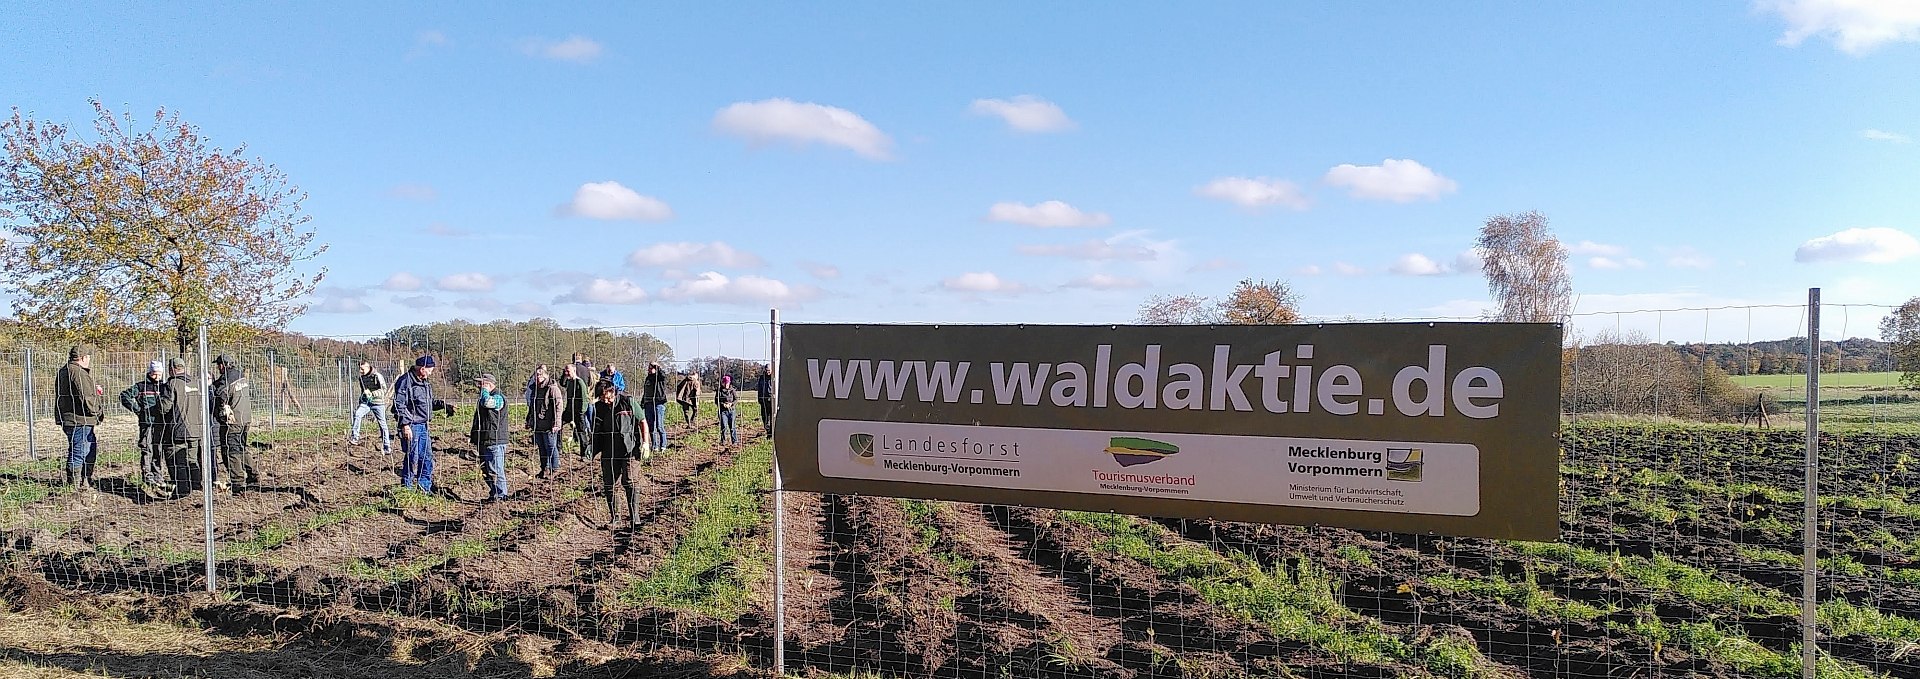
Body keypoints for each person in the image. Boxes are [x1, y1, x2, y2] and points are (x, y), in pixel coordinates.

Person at [589, 381, 649, 530]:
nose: (605, 400)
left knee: (630, 481)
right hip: (609, 450)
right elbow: (595, 430)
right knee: (610, 484)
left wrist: (646, 442)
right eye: (601, 397)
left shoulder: (627, 401)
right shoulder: (599, 407)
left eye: (606, 396)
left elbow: (642, 420)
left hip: (629, 449)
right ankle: (615, 519)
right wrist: (590, 449)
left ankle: (635, 519)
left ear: (612, 391)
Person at [393, 355, 453, 493]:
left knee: (426, 457)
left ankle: (424, 487)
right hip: (411, 425)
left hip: (423, 425)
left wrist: (444, 406)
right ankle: (407, 489)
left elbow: (427, 403)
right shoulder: (405, 382)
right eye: (430, 370)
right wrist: (405, 425)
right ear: (422, 369)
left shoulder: (425, 383)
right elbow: (399, 405)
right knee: (412, 456)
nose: (431, 372)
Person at [118, 361, 171, 499]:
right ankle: (147, 476)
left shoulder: (164, 387)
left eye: (160, 373)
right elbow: (124, 396)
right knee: (147, 449)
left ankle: (158, 476)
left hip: (161, 423)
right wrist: (138, 410)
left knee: (158, 449)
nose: (157, 376)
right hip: (146, 424)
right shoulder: (141, 386)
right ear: (150, 372)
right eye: (155, 373)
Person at [54, 344, 104, 491]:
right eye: (88, 357)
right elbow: (86, 396)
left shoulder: (64, 371)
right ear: (83, 358)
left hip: (68, 417)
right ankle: (75, 485)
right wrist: (97, 411)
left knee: (80, 449)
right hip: (80, 419)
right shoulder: (78, 372)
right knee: (81, 451)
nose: (89, 360)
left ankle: (82, 481)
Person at [160, 358, 207, 499]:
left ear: (172, 368)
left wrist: (157, 403)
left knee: (177, 461)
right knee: (192, 459)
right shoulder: (196, 383)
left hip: (179, 430)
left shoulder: (173, 383)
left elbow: (165, 407)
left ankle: (182, 491)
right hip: (196, 429)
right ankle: (196, 487)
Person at [211, 355, 259, 493]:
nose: (218, 367)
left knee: (232, 450)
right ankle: (253, 473)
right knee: (241, 447)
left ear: (224, 365)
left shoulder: (226, 379)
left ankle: (238, 482)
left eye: (219, 365)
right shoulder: (240, 375)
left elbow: (221, 395)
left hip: (233, 421)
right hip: (245, 418)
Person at [468, 373, 510, 502]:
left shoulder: (497, 397)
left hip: (494, 440)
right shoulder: (484, 397)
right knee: (486, 469)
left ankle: (501, 496)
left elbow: (488, 403)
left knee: (495, 470)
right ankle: (494, 494)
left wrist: (485, 392)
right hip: (485, 439)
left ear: (489, 384)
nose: (478, 386)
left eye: (481, 384)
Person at [526, 365, 565, 479]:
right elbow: (531, 406)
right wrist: (529, 420)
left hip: (549, 423)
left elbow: (559, 406)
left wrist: (557, 423)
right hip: (537, 423)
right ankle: (544, 468)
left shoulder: (552, 388)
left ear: (546, 376)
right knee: (541, 447)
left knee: (551, 446)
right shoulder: (534, 389)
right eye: (536, 375)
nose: (538, 377)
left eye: (540, 375)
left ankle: (555, 468)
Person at [350, 361, 393, 455]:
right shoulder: (361, 378)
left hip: (378, 403)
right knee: (357, 414)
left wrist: (373, 394)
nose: (360, 371)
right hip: (366, 402)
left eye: (362, 369)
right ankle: (355, 437)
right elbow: (363, 390)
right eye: (359, 369)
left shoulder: (377, 376)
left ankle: (387, 447)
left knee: (382, 424)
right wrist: (362, 399)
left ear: (368, 367)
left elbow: (384, 389)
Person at [559, 363, 593, 459]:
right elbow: (562, 383)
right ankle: (559, 448)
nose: (566, 373)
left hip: (578, 412)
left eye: (568, 371)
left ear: (574, 371)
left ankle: (585, 454)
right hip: (569, 410)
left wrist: (581, 411)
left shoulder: (580, 382)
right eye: (565, 371)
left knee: (581, 432)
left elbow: (585, 398)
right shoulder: (569, 382)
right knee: (558, 424)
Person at [639, 362, 670, 451]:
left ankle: (663, 445)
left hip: (658, 404)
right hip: (648, 404)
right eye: (648, 368)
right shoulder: (648, 378)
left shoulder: (659, 378)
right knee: (651, 427)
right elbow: (645, 392)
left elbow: (663, 375)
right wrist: (642, 403)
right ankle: (655, 446)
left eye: (650, 368)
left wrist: (658, 366)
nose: (648, 370)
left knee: (659, 426)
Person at [715, 374, 740, 447]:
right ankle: (723, 440)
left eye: (728, 383)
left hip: (731, 410)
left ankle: (734, 441)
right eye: (725, 383)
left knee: (732, 426)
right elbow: (716, 400)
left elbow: (736, 399)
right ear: (722, 383)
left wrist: (731, 404)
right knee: (724, 426)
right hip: (723, 411)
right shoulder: (719, 391)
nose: (726, 384)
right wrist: (723, 404)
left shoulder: (732, 390)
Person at [754, 366, 775, 434]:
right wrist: (759, 398)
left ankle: (771, 431)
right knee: (764, 415)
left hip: (771, 399)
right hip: (763, 400)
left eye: (769, 370)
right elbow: (759, 389)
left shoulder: (773, 377)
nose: (767, 372)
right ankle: (767, 429)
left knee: (772, 415)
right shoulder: (762, 378)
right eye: (766, 370)